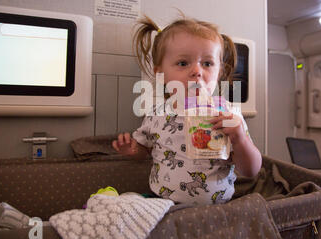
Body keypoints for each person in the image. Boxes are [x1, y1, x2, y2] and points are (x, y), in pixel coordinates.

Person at [112, 14, 262, 205]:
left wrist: (240, 139)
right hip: (163, 206)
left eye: (207, 63)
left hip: (219, 210)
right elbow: (147, 149)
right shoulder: (157, 113)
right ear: (161, 74)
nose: (197, 71)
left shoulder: (229, 113)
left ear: (219, 72)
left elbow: (251, 171)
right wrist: (134, 150)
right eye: (183, 63)